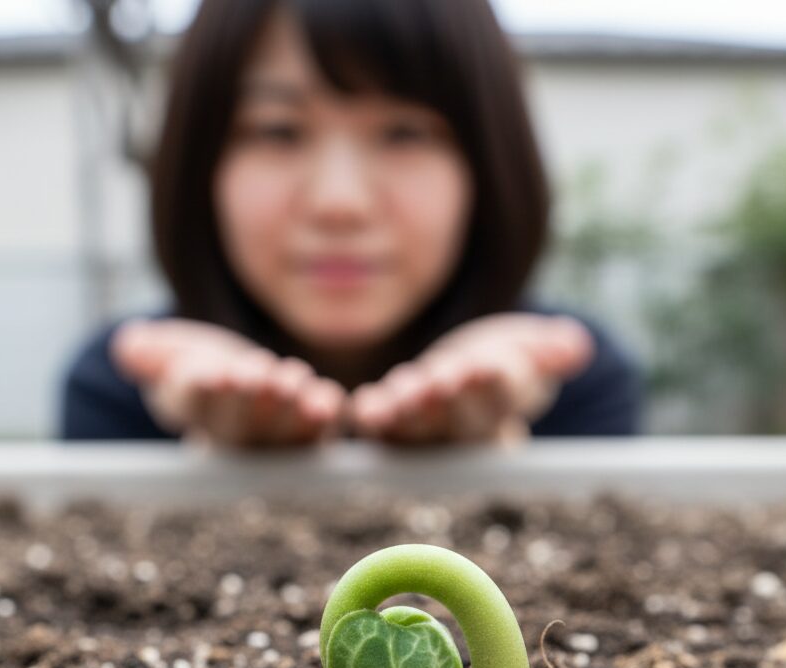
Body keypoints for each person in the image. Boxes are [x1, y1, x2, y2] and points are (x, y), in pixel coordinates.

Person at [60, 0, 642, 447]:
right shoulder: (122, 392)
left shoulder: (569, 389)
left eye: (405, 132)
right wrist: (204, 482)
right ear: (200, 162)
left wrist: (501, 470)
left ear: (488, 166)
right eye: (278, 130)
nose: (341, 203)